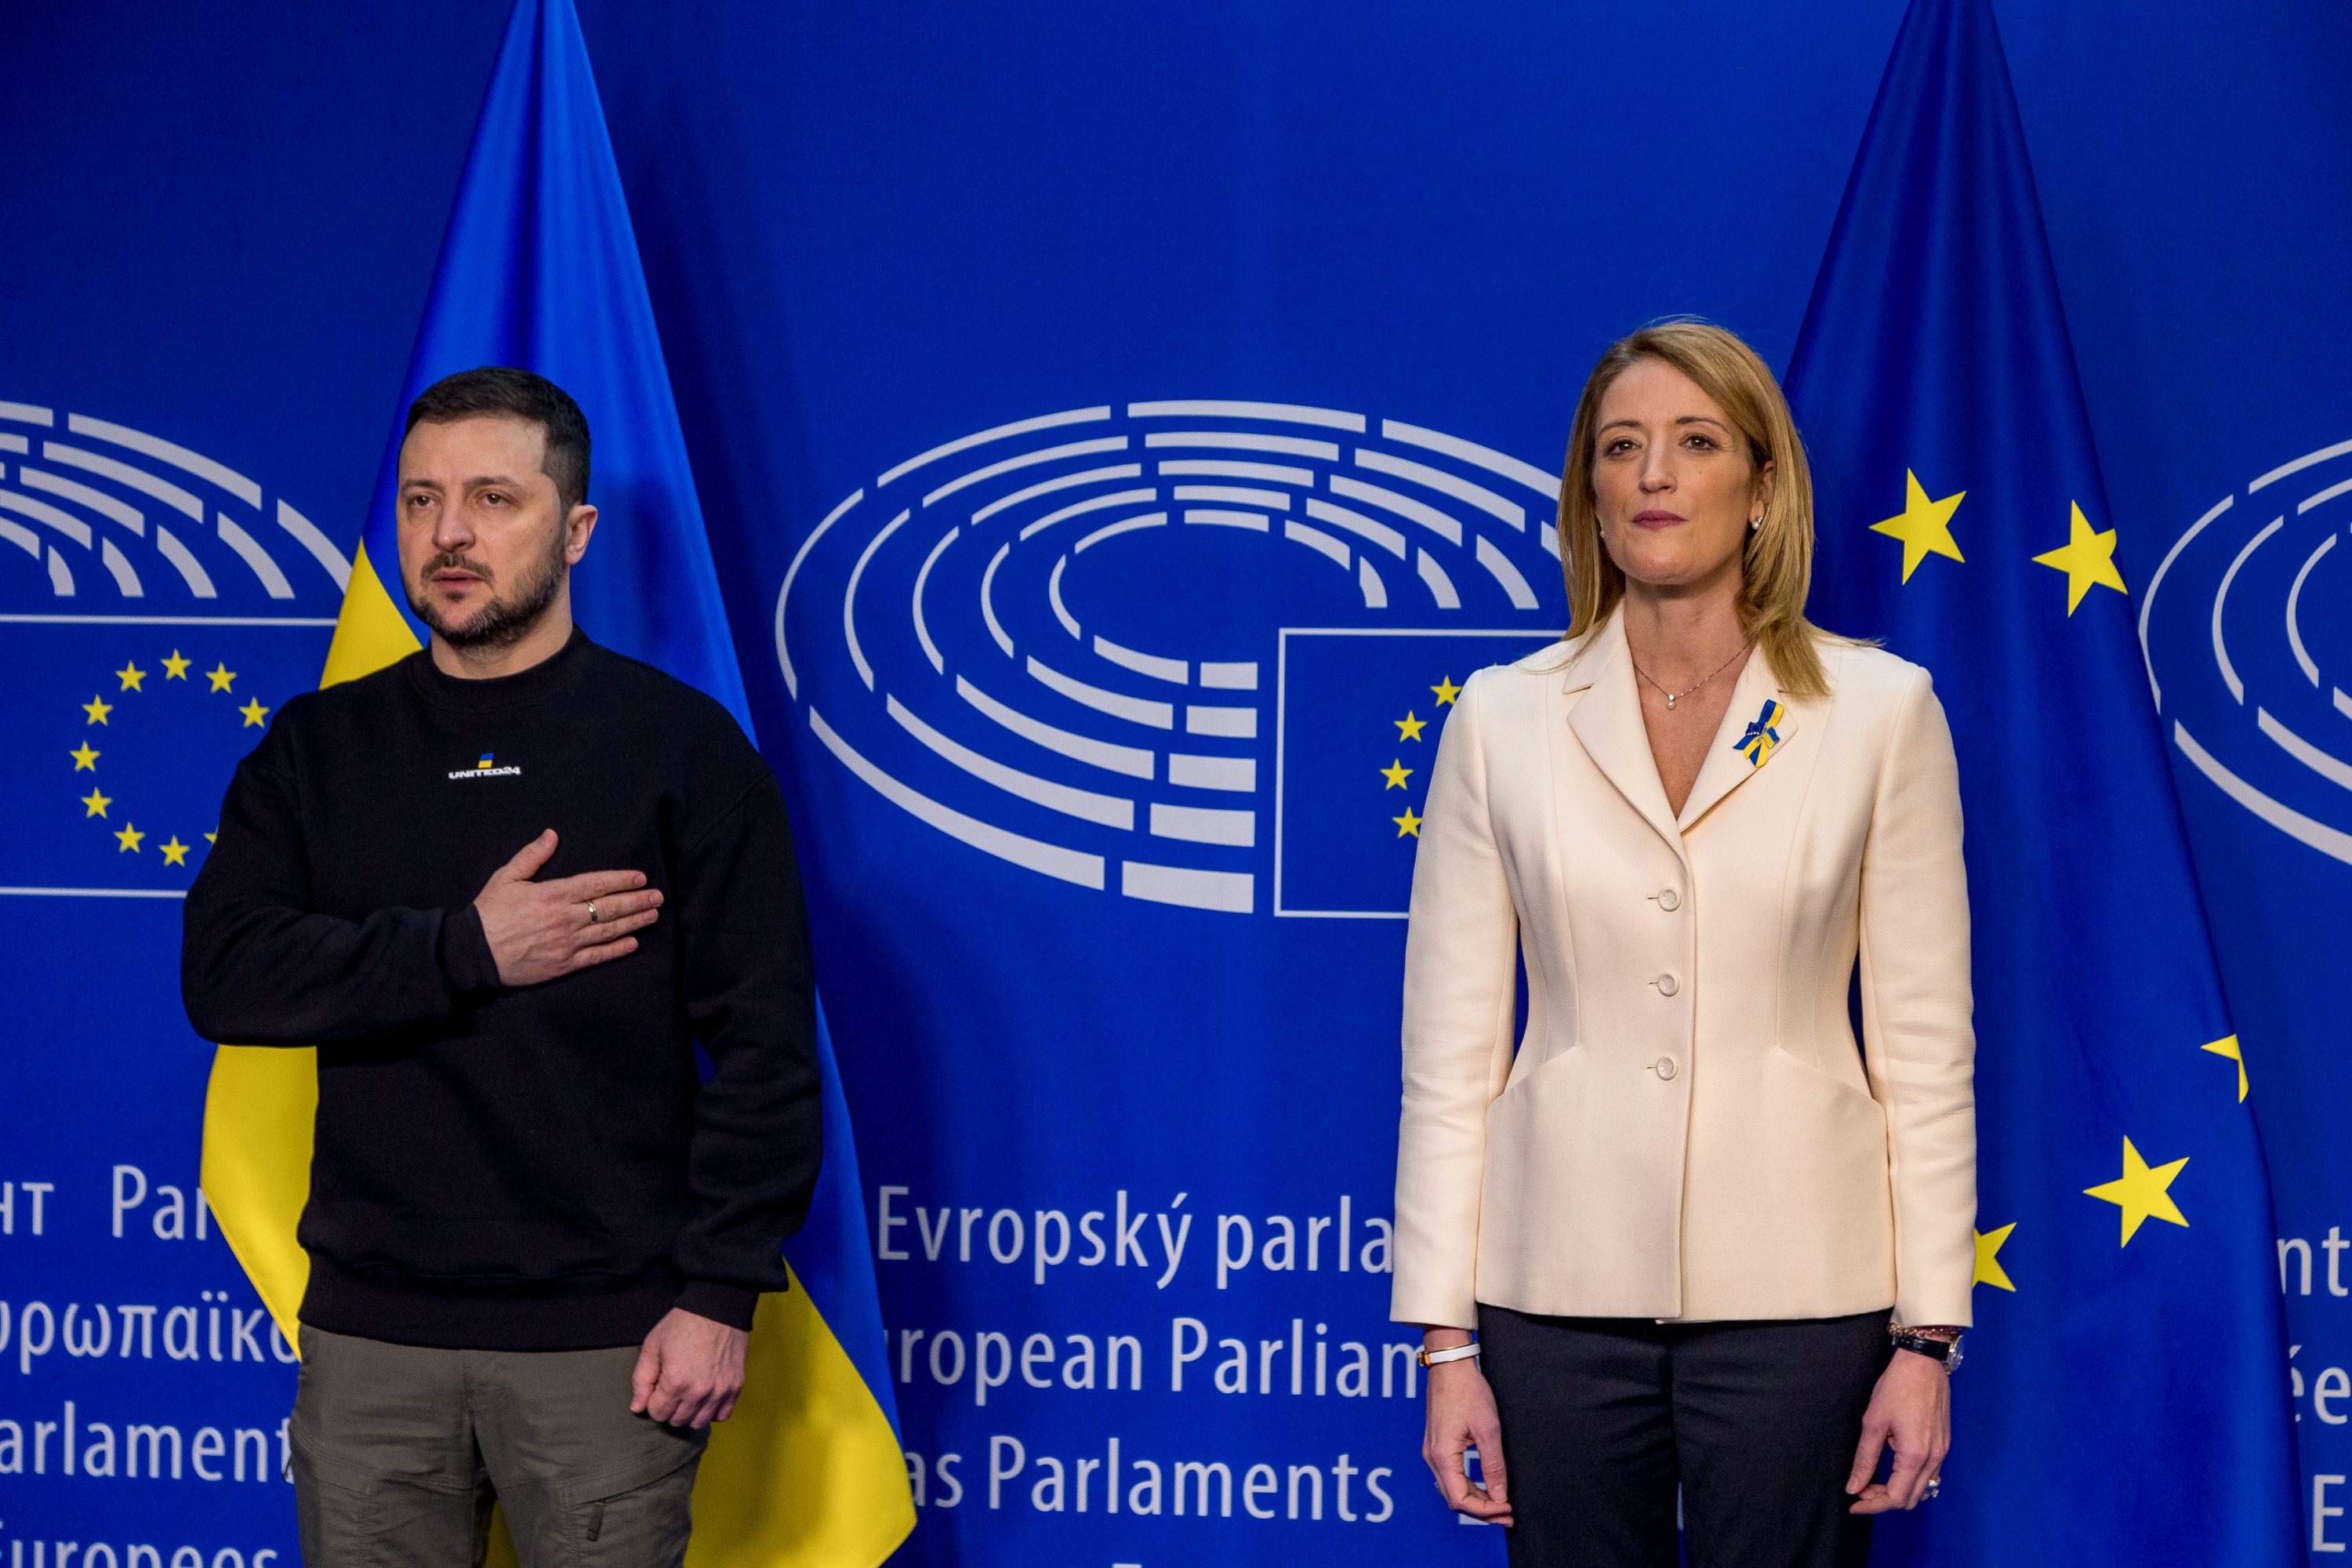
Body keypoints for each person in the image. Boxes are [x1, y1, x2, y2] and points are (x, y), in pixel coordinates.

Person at [182, 366, 821, 1567]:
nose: (451, 535)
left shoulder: (680, 750)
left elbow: (768, 1046)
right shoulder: (321, 746)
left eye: (492, 499)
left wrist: (719, 1293)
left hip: (610, 1343)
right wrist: (469, 948)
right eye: (421, 503)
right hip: (374, 1342)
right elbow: (226, 975)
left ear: (575, 530)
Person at [1391, 320, 1975, 1567]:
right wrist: (1446, 1347)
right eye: (1623, 447)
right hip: (1552, 1303)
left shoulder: (1882, 715)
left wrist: (1927, 1341)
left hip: (1805, 1305)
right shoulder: (1499, 720)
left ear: (1762, 489)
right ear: (1589, 496)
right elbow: (1447, 1061)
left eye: (1695, 442)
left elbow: (1927, 1051)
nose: (1656, 474)